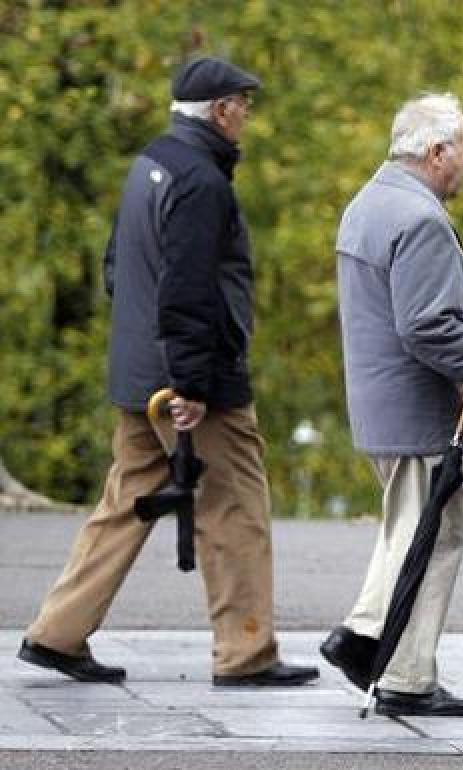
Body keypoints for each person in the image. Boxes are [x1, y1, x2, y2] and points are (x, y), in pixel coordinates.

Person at [19, 56, 319, 688]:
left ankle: (58, 632)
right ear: (219, 110)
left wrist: (146, 356)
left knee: (127, 500)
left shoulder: (151, 164)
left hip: (139, 370)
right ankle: (246, 652)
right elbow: (187, 290)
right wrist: (190, 382)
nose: (247, 116)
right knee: (235, 505)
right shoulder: (201, 183)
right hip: (189, 381)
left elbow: (116, 267)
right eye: (243, 104)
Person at [320, 93, 463, 717]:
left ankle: (371, 639)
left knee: (409, 528)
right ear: (437, 151)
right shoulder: (419, 218)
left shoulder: (366, 204)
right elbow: (426, 324)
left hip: (382, 406)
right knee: (434, 535)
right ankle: (400, 670)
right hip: (421, 410)